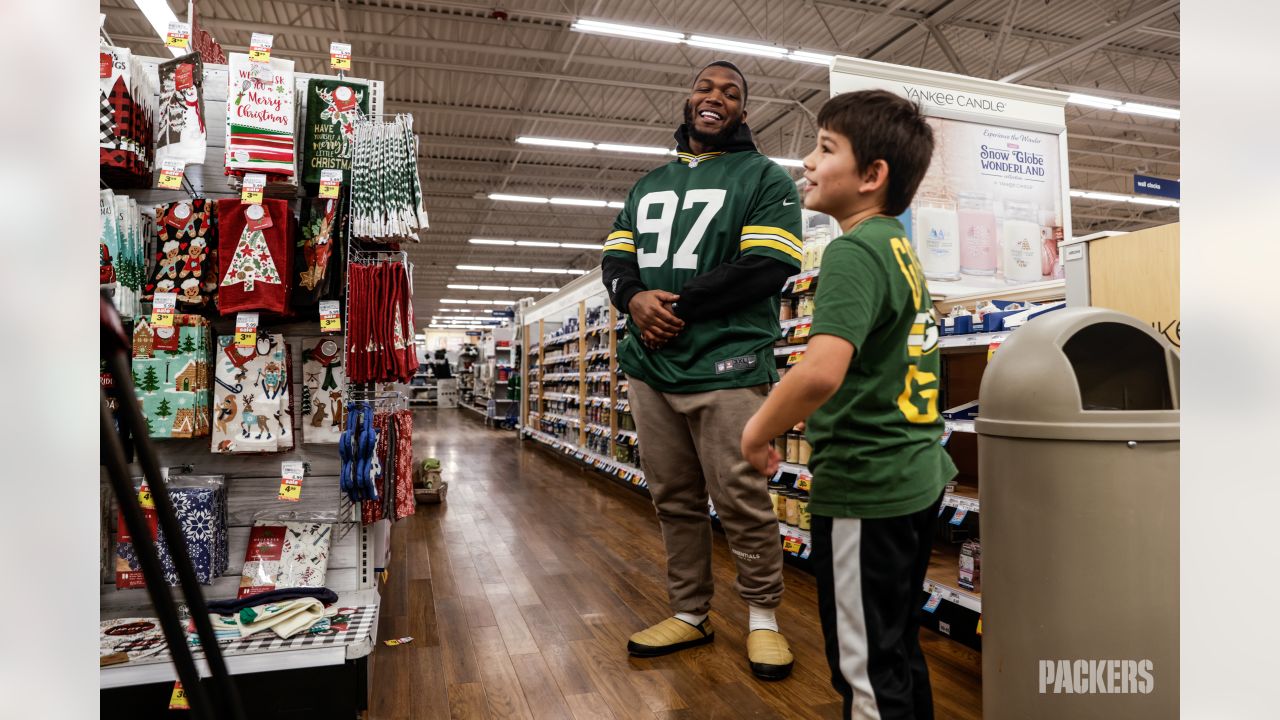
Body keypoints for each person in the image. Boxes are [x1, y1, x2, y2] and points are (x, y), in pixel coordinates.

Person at [739, 89, 957, 718]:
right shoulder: (897, 247)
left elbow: (820, 372)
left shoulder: (853, 252)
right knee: (896, 650)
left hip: (868, 487)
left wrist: (756, 432)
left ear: (872, 176)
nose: (805, 161)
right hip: (916, 476)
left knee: (864, 672)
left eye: (825, 148)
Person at [600, 60, 803, 680]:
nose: (714, 98)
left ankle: (763, 618)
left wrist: (675, 308)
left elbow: (767, 267)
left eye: (730, 93)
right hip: (650, 366)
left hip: (727, 364)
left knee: (740, 497)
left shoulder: (765, 177)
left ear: (743, 110)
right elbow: (615, 257)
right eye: (705, 88)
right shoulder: (647, 183)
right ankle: (690, 612)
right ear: (689, 101)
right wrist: (632, 297)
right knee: (673, 500)